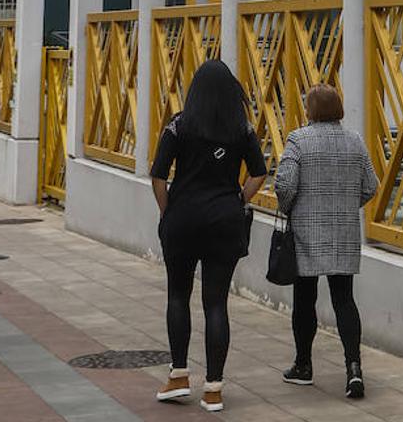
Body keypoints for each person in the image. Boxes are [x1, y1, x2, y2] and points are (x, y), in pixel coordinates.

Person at [150, 59, 267, 412]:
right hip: (224, 221)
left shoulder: (179, 124)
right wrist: (237, 200)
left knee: (178, 295)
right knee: (216, 302)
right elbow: (259, 174)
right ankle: (213, 388)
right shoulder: (240, 127)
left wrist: (167, 210)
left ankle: (179, 375)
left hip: (183, 218)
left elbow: (157, 175)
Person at [274, 83, 379, 399]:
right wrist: (346, 204)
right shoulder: (354, 141)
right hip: (344, 231)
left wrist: (292, 208)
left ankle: (303, 366)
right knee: (344, 299)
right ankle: (354, 369)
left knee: (305, 298)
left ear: (311, 110)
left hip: (308, 232)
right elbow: (370, 185)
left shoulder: (298, 140)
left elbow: (284, 185)